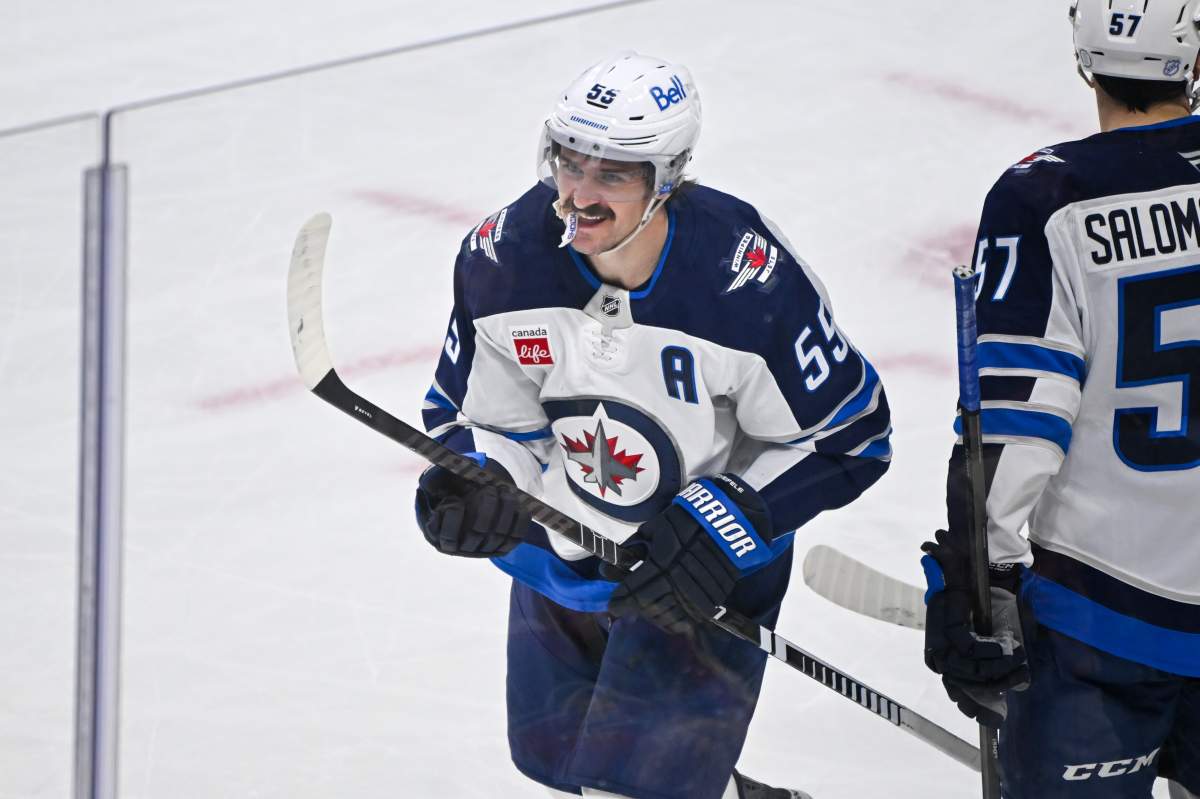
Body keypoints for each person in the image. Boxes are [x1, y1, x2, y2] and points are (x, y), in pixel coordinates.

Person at [414, 51, 891, 799]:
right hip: (566, 564)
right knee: (561, 767)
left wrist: (725, 519)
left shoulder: (746, 282)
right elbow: (467, 418)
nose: (579, 195)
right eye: (570, 163)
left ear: (668, 178)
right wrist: (480, 488)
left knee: (626, 789)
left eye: (613, 174)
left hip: (698, 575)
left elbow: (852, 435)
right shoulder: (503, 259)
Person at [920, 2, 1200, 797]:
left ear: (1085, 60)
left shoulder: (1044, 198)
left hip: (1099, 624)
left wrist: (985, 581)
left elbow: (1013, 424)